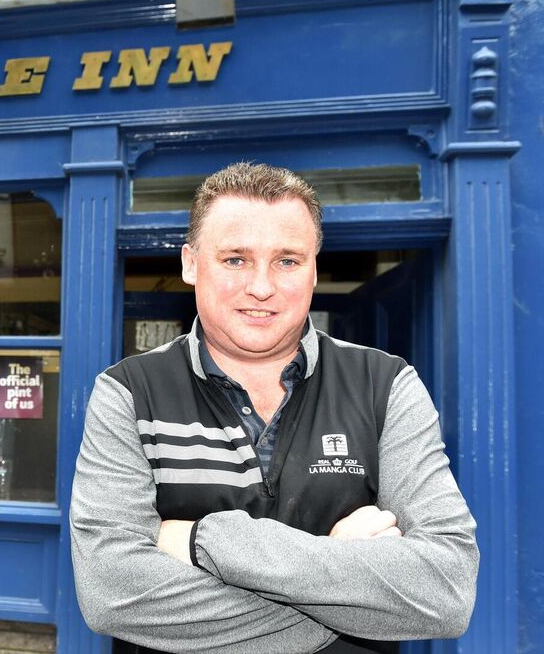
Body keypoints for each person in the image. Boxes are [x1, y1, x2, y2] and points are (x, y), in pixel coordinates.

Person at [70, 162, 478, 653]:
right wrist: (343, 586)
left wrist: (203, 541)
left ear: (313, 268)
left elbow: (446, 591)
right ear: (190, 263)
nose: (261, 287)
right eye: (236, 259)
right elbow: (112, 593)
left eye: (287, 260)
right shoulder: (128, 393)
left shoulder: (386, 385)